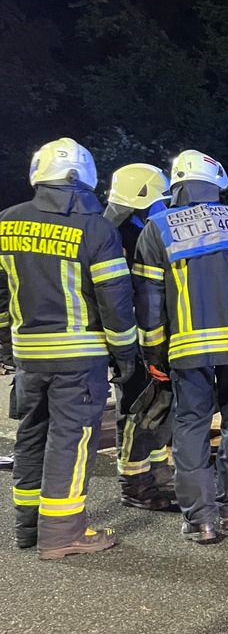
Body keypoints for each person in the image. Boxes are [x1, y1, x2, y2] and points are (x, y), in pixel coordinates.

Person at [133, 150, 228, 545]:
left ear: (176, 183)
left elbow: (149, 301)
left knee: (191, 429)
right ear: (217, 183)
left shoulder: (157, 228)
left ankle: (201, 520)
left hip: (188, 350)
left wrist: (153, 353)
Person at [1, 138, 137, 559]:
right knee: (71, 441)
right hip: (78, 358)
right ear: (84, 178)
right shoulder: (95, 229)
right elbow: (114, 301)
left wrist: (8, 344)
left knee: (32, 434)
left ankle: (28, 527)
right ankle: (62, 534)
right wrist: (125, 354)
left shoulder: (7, 222)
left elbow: (2, 296)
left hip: (28, 355)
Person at [104, 163, 175, 509]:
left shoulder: (127, 228)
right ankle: (135, 485)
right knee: (136, 409)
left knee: (156, 406)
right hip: (131, 339)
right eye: (160, 199)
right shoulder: (116, 235)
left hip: (142, 335)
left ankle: (157, 475)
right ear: (142, 196)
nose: (163, 206)